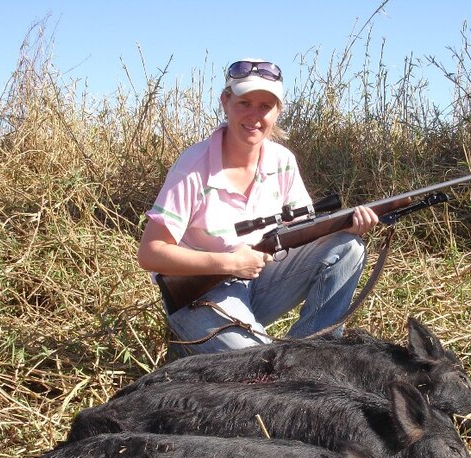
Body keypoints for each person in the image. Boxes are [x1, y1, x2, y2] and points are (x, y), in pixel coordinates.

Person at [137, 58, 378, 355]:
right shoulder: (192, 166)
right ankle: (199, 343)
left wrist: (346, 224)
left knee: (347, 247)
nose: (254, 115)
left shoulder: (282, 160)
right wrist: (229, 263)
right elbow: (150, 253)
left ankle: (313, 356)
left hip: (257, 279)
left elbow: (304, 228)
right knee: (258, 363)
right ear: (226, 102)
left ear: (278, 111)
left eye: (265, 106)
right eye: (244, 103)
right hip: (202, 294)